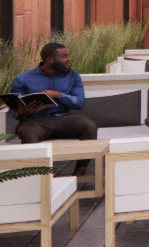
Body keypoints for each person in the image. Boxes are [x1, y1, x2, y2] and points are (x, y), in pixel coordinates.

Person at [10, 43, 97, 177]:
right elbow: (14, 107)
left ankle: (80, 171)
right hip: (36, 121)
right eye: (64, 56)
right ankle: (34, 176)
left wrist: (58, 95)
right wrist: (22, 112)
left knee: (88, 125)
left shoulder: (72, 76)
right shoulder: (22, 79)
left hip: (64, 119)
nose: (69, 59)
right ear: (50, 60)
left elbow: (79, 103)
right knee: (28, 132)